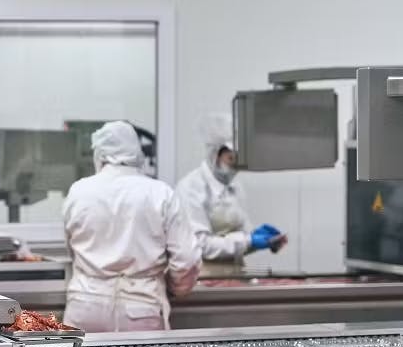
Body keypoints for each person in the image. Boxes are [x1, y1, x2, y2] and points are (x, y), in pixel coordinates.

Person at [62, 121, 201, 332]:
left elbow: (72, 250)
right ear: (137, 153)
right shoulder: (160, 193)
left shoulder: (78, 192)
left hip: (85, 305)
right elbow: (187, 259)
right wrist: (176, 289)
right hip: (141, 307)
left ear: (99, 154)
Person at [175, 113, 287, 275]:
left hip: (235, 274)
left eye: (239, 160)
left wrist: (263, 240)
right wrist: (249, 240)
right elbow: (200, 245)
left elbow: (242, 241)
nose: (236, 166)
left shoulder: (234, 187)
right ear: (214, 154)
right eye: (231, 159)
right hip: (203, 277)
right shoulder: (190, 188)